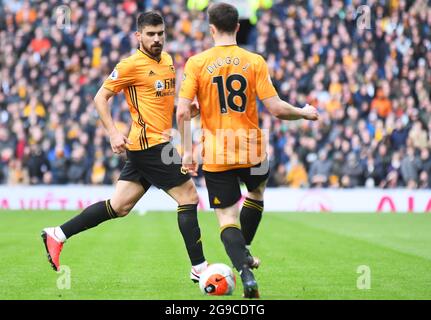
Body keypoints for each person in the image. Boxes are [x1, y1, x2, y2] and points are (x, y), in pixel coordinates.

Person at [41, 11, 208, 283]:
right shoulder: (130, 65)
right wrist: (113, 132)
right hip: (149, 146)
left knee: (119, 206)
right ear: (138, 36)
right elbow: (100, 98)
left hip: (154, 143)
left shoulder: (167, 60)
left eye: (160, 34)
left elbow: (159, 104)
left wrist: (189, 110)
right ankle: (199, 267)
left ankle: (57, 234)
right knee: (189, 197)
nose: (156, 39)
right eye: (150, 34)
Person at [177, 2, 318, 298]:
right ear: (238, 27)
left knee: (228, 219)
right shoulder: (254, 61)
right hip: (252, 150)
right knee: (256, 193)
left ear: (211, 28)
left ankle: (245, 271)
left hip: (217, 153)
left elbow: (181, 112)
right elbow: (277, 109)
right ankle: (246, 252)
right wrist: (304, 112)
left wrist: (188, 151)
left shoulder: (196, 63)